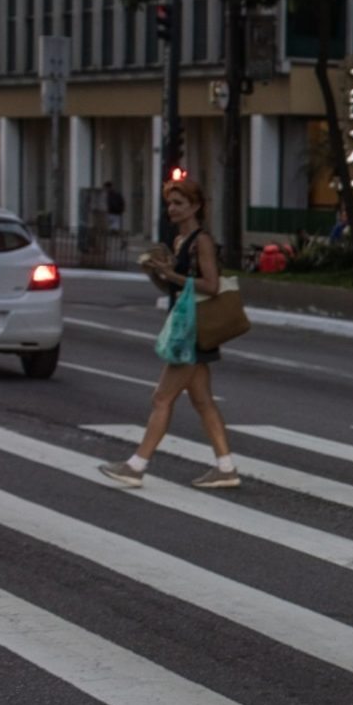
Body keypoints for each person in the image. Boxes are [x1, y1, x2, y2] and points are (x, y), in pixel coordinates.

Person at [100, 175, 238, 492]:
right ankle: (226, 467)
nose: (172, 209)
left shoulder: (201, 241)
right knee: (202, 401)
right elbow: (173, 288)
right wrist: (156, 273)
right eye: (169, 204)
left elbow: (212, 285)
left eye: (179, 203)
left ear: (196, 206)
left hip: (191, 330)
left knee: (162, 398)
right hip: (185, 324)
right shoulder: (179, 241)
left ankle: (136, 466)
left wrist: (171, 273)